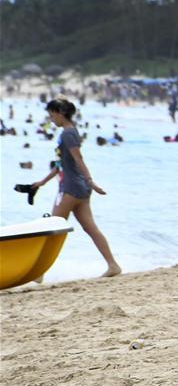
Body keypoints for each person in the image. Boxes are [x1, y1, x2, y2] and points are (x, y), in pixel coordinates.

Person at [30, 98, 121, 277]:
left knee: (52, 228)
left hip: (71, 188)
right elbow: (61, 164)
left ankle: (37, 272)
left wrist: (91, 181)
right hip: (80, 189)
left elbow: (78, 158)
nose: (51, 119)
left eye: (52, 115)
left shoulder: (67, 134)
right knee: (90, 228)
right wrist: (42, 182)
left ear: (61, 113)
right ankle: (113, 265)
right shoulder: (70, 132)